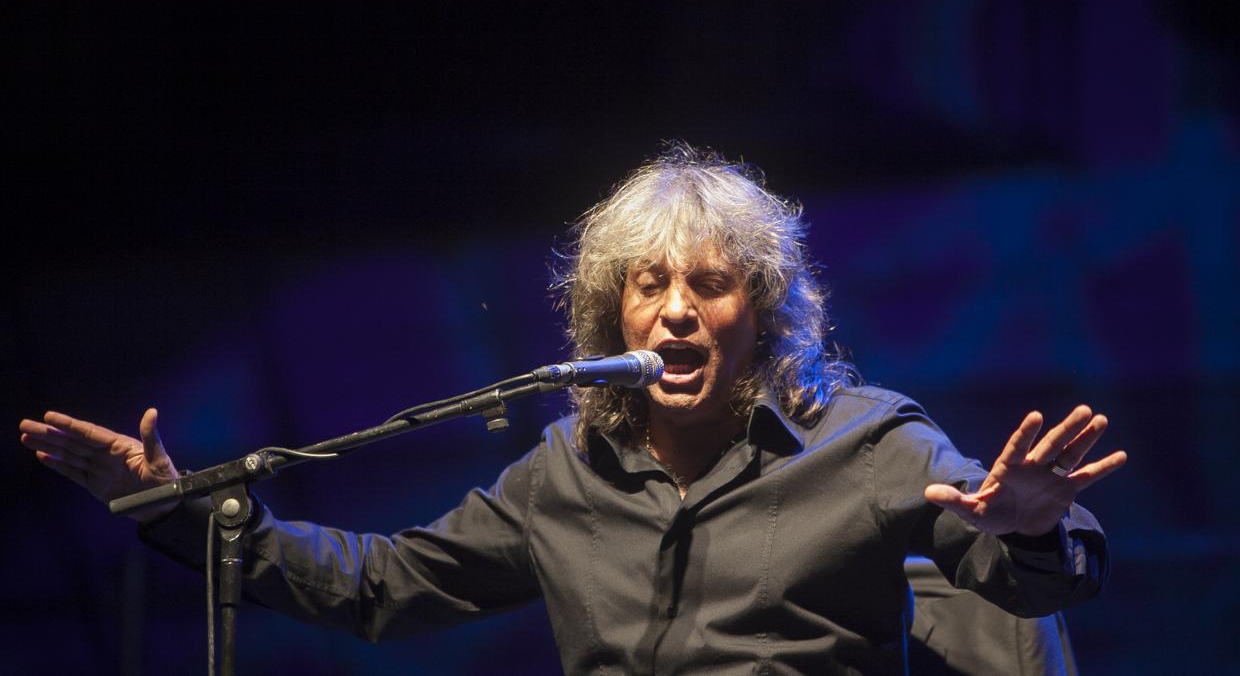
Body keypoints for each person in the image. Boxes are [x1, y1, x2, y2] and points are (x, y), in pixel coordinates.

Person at [18, 144, 1126, 674]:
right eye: (649, 285)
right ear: (612, 316)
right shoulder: (561, 470)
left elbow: (1016, 573)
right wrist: (175, 507)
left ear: (765, 310)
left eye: (710, 282)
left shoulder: (871, 438)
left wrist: (1033, 527)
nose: (678, 312)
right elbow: (384, 586)